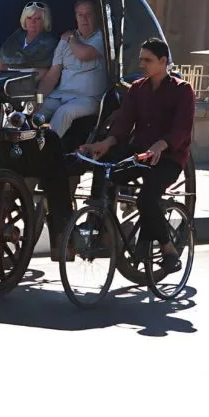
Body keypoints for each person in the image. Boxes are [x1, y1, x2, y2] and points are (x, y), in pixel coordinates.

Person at [78, 37, 195, 273]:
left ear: (163, 62)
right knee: (105, 165)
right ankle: (99, 224)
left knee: (146, 199)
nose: (142, 64)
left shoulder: (182, 90)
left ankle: (168, 249)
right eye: (141, 59)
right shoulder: (138, 89)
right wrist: (106, 143)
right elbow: (123, 124)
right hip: (139, 153)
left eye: (147, 60)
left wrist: (162, 145)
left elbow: (182, 129)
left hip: (169, 158)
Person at [36, 0, 108, 137]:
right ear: (75, 17)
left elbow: (84, 54)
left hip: (88, 99)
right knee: (36, 112)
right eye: (80, 15)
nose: (84, 18)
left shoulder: (102, 38)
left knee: (64, 112)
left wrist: (70, 39)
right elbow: (52, 75)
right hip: (61, 95)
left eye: (88, 14)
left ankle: (47, 152)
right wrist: (38, 98)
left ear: (96, 16)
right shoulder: (66, 40)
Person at [0, 1, 58, 77]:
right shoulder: (13, 40)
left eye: (37, 19)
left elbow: (45, 72)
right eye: (29, 18)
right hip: (5, 82)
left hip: (30, 84)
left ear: (45, 21)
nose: (33, 22)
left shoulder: (50, 44)